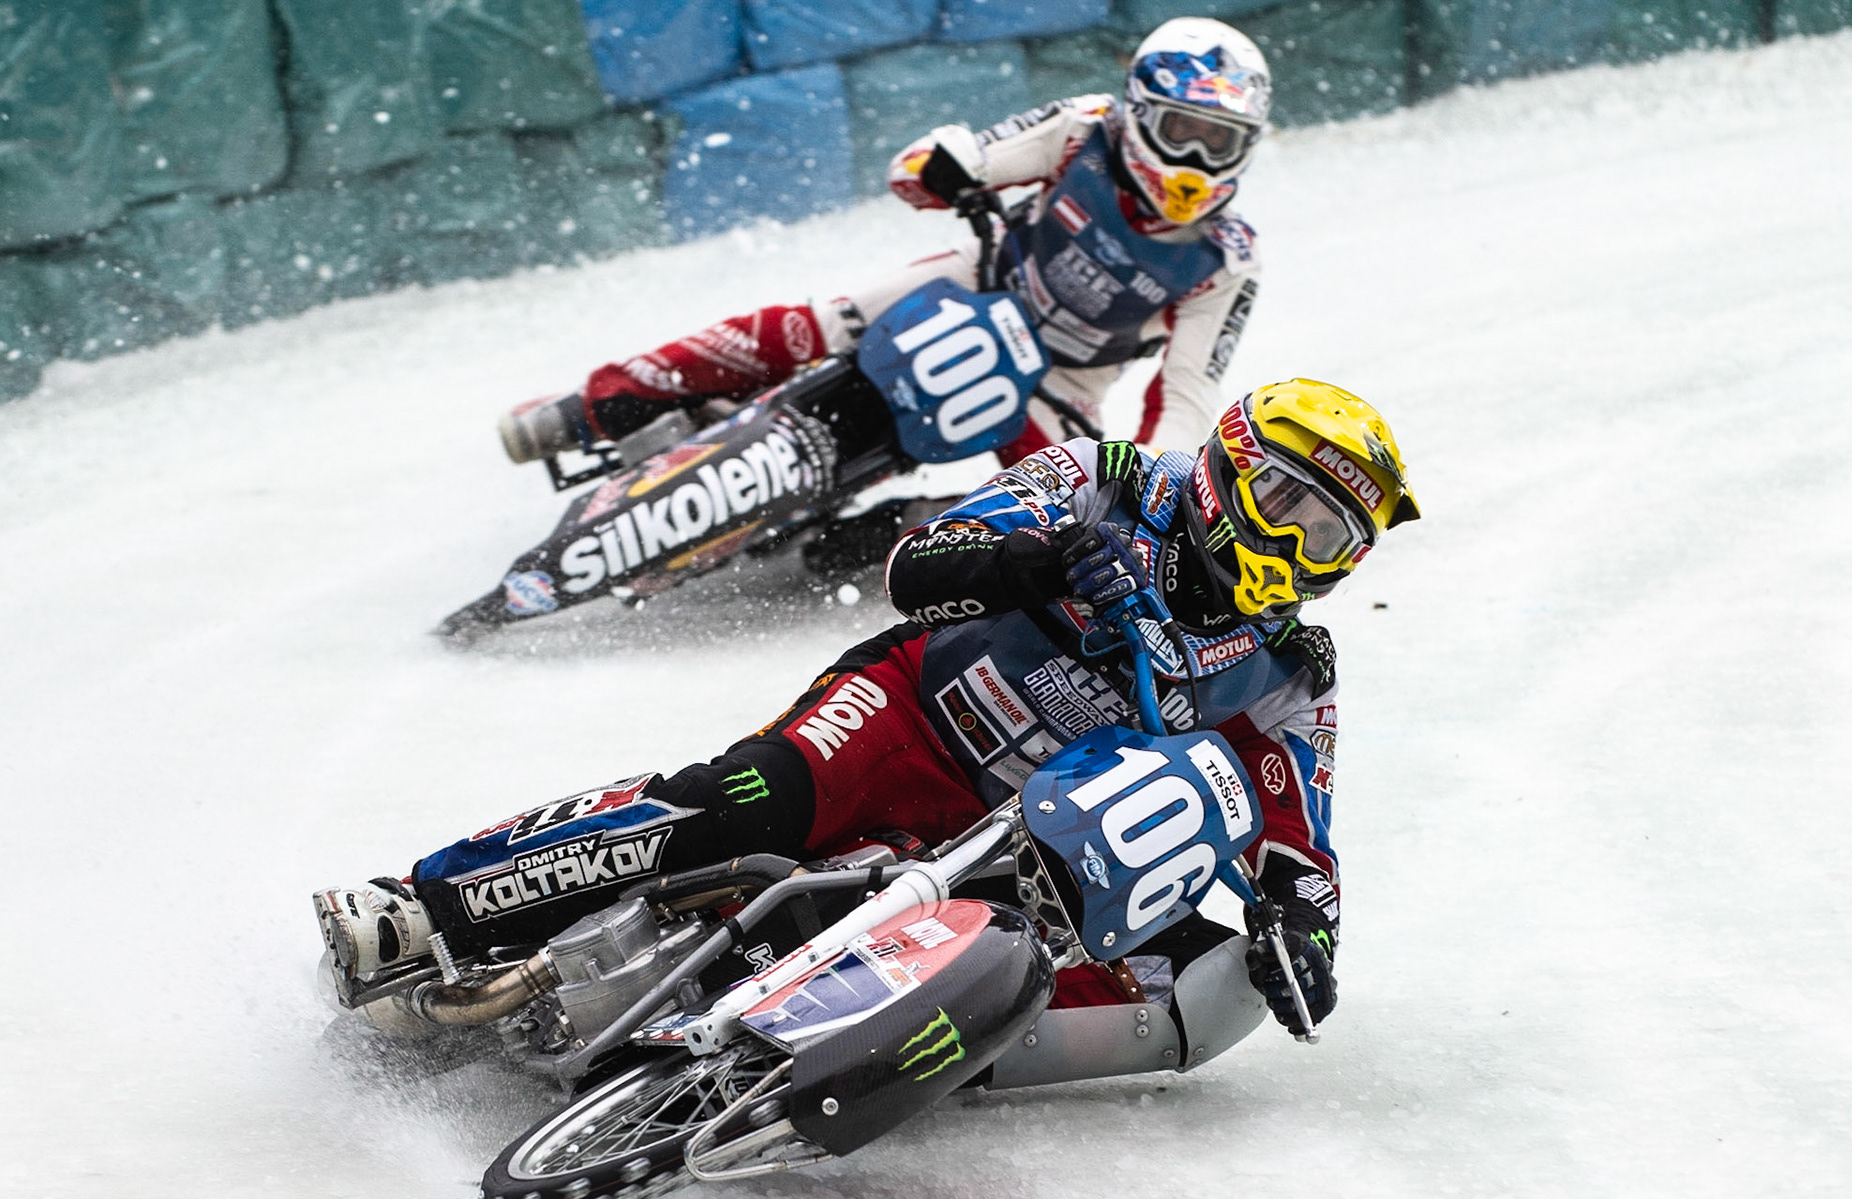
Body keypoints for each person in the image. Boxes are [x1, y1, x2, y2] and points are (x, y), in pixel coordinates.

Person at [317, 379, 1421, 1048]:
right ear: (1230, 467)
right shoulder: (1111, 476)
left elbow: (1299, 843)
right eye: (1284, 501)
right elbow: (913, 567)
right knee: (739, 806)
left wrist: (1302, 933)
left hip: (1027, 829)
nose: (1292, 545)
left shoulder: (1291, 667)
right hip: (906, 712)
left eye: (1328, 536)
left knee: (1093, 965)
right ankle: (425, 904)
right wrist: (1026, 560)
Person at [496, 18, 1271, 486]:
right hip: (980, 282)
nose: (1196, 164)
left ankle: (909, 528)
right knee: (815, 323)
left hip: (1061, 380)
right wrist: (943, 162)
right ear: (1140, 114)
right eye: (1183, 134)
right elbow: (948, 160)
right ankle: (593, 405)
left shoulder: (1225, 258)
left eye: (1221, 143)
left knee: (1069, 514)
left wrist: (1141, 485)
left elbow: (1187, 402)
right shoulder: (1086, 126)